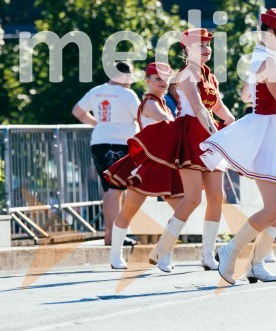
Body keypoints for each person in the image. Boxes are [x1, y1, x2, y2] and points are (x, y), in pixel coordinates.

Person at [201, 9, 276, 284]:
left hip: (273, 130)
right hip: (266, 132)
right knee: (275, 206)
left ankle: (256, 263)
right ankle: (230, 251)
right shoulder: (269, 61)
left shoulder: (266, 58)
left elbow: (247, 93)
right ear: (272, 34)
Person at [127, 29, 235, 272]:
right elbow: (198, 108)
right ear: (187, 51)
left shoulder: (209, 75)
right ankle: (162, 250)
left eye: (208, 45)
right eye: (200, 45)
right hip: (192, 135)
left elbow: (216, 105)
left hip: (208, 133)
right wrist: (216, 135)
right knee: (193, 198)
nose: (206, 49)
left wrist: (232, 123)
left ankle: (208, 255)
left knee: (218, 197)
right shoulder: (185, 75)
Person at [105, 62, 179, 269]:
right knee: (129, 210)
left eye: (166, 79)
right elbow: (166, 121)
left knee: (183, 209)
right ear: (147, 81)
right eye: (158, 79)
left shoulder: (164, 102)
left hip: (165, 164)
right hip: (149, 165)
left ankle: (162, 252)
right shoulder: (149, 102)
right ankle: (115, 255)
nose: (163, 83)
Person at [72, 61, 141, 247]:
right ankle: (115, 237)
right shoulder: (127, 95)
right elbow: (141, 117)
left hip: (99, 142)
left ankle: (111, 234)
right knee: (116, 190)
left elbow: (77, 111)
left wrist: (99, 124)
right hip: (121, 144)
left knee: (109, 189)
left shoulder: (96, 91)